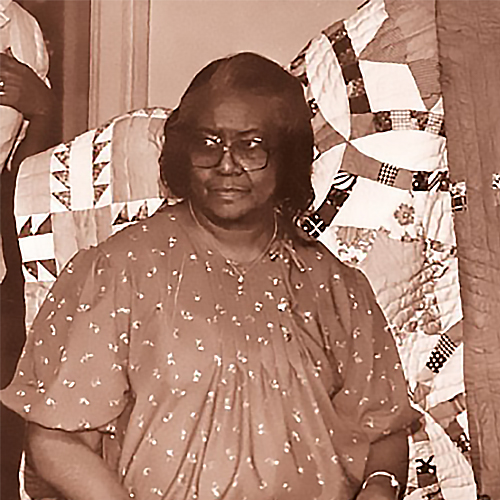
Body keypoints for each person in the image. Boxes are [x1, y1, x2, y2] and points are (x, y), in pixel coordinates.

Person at [0, 52, 419, 500]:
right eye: (208, 143)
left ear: (289, 155)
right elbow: (56, 437)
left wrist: (380, 487)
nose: (227, 164)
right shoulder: (118, 269)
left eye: (252, 145)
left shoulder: (335, 286)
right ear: (184, 151)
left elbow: (385, 428)